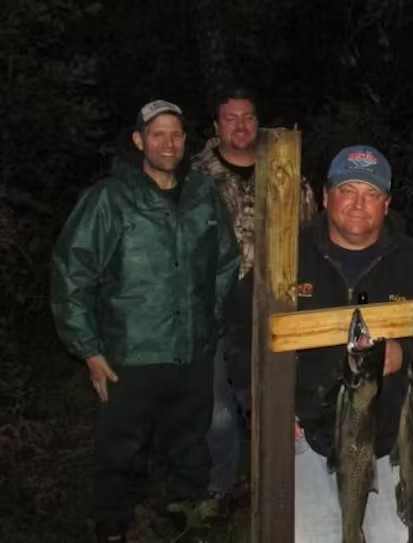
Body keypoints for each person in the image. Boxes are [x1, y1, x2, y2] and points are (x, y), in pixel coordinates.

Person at [50, 100, 240, 543]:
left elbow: (225, 262)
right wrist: (90, 350)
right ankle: (112, 530)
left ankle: (185, 527)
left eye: (175, 133)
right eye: (157, 134)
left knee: (190, 451)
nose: (168, 142)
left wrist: (207, 317)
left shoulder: (201, 195)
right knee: (120, 456)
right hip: (128, 355)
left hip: (191, 352)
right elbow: (72, 273)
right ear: (139, 141)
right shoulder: (109, 199)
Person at [294, 145, 413, 543]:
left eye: (371, 194)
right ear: (325, 196)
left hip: (392, 446)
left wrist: (409, 357)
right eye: (347, 190)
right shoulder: (288, 256)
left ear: (386, 204)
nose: (358, 205)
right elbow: (241, 330)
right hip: (307, 441)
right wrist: (266, 405)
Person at [191, 87, 315, 502]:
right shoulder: (194, 178)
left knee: (273, 399)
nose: (241, 125)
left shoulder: (286, 171)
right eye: (230, 117)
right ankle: (219, 490)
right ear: (215, 126)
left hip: (273, 307)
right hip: (211, 309)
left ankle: (277, 485)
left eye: (248, 116)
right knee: (217, 410)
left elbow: (310, 237)